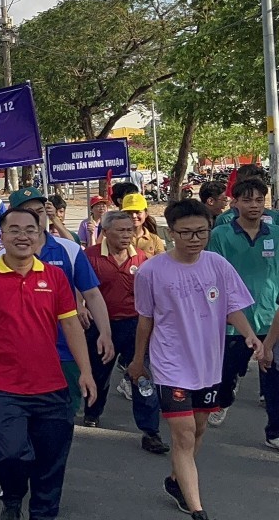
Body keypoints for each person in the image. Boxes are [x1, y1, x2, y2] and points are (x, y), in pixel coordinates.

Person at [129, 200, 264, 520]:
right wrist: (137, 361)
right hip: (170, 365)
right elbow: (145, 321)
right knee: (184, 433)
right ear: (171, 232)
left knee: (198, 429)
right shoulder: (151, 272)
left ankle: (176, 481)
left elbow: (233, 306)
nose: (194, 239)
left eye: (201, 232)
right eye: (186, 233)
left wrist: (249, 334)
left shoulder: (218, 265)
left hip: (208, 364)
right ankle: (198, 509)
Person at [0, 205, 97, 520]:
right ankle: (12, 498)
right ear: (3, 236)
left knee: (50, 464)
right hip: (4, 388)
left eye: (30, 230)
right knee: (12, 455)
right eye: (14, 230)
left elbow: (72, 325)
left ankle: (42, 513)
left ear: (39, 236)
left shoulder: (55, 277)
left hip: (51, 386)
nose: (22, 236)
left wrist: (86, 371)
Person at [5, 187, 115, 417]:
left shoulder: (69, 249)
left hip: (66, 350)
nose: (35, 217)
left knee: (61, 421)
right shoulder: (2, 258)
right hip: (20, 353)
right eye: (27, 212)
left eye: (39, 211)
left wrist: (105, 332)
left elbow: (92, 294)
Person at [80, 211, 167, 453]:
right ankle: (92, 411)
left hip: (134, 326)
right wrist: (80, 307)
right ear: (106, 232)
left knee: (142, 376)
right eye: (120, 230)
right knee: (99, 373)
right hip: (100, 327)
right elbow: (77, 286)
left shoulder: (143, 259)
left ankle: (151, 431)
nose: (127, 235)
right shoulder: (90, 257)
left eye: (129, 230)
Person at [204, 178, 279, 440]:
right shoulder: (220, 236)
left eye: (259, 200)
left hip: (271, 319)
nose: (254, 205)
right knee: (226, 376)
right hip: (234, 322)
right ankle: (224, 399)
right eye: (247, 200)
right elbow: (213, 280)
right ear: (235, 203)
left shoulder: (276, 235)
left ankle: (274, 432)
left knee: (274, 378)